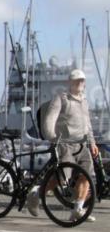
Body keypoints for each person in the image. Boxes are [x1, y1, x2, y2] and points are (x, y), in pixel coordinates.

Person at [29, 69, 99, 222]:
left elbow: (88, 126)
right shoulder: (61, 98)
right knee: (62, 179)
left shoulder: (84, 101)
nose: (80, 83)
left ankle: (78, 209)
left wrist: (92, 143)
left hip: (82, 145)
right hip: (65, 145)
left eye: (82, 80)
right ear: (70, 82)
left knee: (86, 176)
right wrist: (53, 137)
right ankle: (36, 194)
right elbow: (49, 121)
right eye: (76, 80)